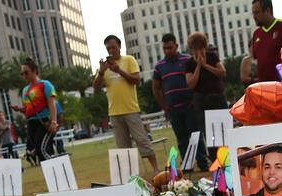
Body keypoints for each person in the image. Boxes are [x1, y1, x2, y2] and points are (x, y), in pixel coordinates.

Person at [93, 35, 160, 173]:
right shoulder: (104, 67)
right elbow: (96, 88)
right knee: (123, 147)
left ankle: (156, 169)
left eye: (113, 47)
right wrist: (101, 72)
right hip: (114, 112)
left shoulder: (129, 60)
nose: (111, 50)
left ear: (119, 46)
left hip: (130, 109)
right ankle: (130, 174)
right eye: (108, 48)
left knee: (142, 140)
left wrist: (119, 70)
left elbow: (136, 80)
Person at [152, 33, 208, 171]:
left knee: (197, 136)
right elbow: (156, 88)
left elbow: (197, 78)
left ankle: (203, 163)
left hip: (191, 106)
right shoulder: (159, 66)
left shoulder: (187, 60)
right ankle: (187, 165)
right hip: (173, 109)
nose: (167, 51)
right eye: (164, 48)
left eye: (170, 47)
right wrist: (164, 106)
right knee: (182, 139)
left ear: (176, 46)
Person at [185, 32, 227, 162]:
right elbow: (190, 83)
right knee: (209, 133)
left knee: (223, 130)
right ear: (191, 49)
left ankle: (227, 157)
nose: (199, 51)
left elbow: (222, 73)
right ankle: (215, 160)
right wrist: (198, 66)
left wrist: (206, 66)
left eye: (201, 48)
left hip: (217, 98)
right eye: (195, 49)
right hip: (202, 101)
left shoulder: (212, 57)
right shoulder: (189, 64)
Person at [11, 57, 58, 165]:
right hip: (31, 123)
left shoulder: (45, 85)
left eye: (26, 73)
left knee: (42, 150)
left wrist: (53, 122)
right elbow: (28, 109)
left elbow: (52, 104)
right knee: (41, 151)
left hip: (44, 122)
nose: (24, 76)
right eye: (22, 74)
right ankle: (52, 177)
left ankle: (56, 170)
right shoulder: (25, 90)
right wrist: (20, 109)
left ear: (34, 71)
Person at [251, 0, 282, 82]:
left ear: (267, 10)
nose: (254, 16)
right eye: (253, 13)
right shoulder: (256, 34)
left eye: (257, 13)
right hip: (265, 88)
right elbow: (255, 60)